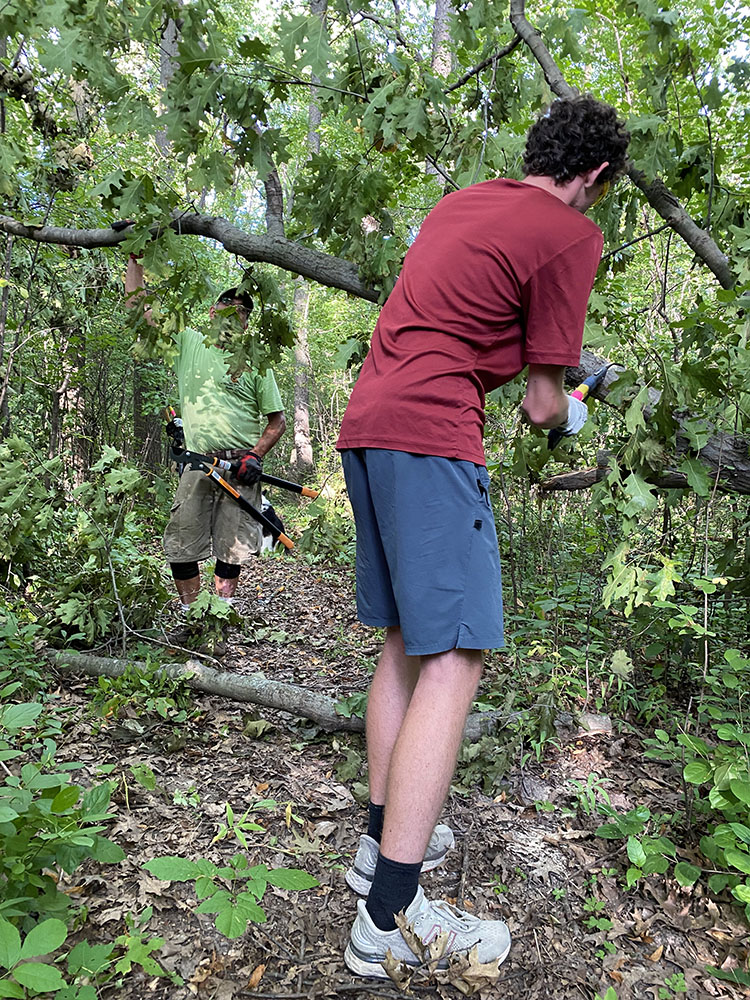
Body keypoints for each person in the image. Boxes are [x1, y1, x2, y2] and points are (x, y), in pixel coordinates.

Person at [336, 95, 630, 978]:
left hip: (370, 421)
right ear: (596, 176)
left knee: (406, 644)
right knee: (459, 655)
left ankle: (376, 849)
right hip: (430, 433)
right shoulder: (573, 234)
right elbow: (543, 405)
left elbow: (464, 327)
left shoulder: (466, 202)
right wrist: (579, 409)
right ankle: (390, 918)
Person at [125, 255, 286, 656]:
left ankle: (217, 622)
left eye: (243, 315)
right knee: (182, 542)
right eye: (229, 310)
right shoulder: (189, 343)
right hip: (198, 463)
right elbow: (138, 311)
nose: (236, 320)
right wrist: (135, 260)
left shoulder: (256, 363)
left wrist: (255, 455)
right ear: (213, 312)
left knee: (232, 549)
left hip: (240, 469)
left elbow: (277, 421)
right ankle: (192, 618)